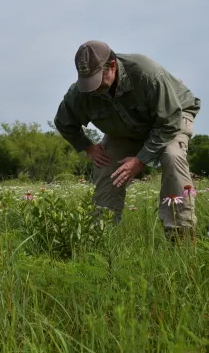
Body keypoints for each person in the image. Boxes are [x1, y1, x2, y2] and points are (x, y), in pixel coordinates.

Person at [54, 40, 200, 242]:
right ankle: (101, 237)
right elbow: (63, 122)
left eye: (97, 79)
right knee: (106, 166)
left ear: (112, 65)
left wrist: (140, 160)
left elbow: (168, 122)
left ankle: (181, 236)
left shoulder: (146, 73)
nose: (93, 89)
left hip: (171, 118)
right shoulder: (80, 92)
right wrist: (87, 146)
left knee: (172, 157)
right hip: (125, 129)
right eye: (87, 81)